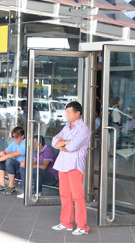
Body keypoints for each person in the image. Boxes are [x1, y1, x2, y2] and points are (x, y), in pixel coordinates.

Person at [51, 101, 91, 236]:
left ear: (77, 113)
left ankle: (82, 226)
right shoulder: (67, 127)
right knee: (65, 195)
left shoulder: (84, 129)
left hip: (75, 166)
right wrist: (65, 142)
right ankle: (66, 223)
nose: (66, 114)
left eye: (69, 112)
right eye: (66, 112)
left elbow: (72, 147)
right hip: (63, 164)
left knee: (77, 197)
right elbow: (53, 141)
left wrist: (64, 143)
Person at [0, 126, 26, 195]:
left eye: (16, 137)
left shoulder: (26, 144)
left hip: (22, 168)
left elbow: (11, 155)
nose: (14, 139)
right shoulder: (15, 142)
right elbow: (6, 152)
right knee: (1, 160)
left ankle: (11, 186)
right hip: (14, 167)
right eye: (13, 137)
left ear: (22, 136)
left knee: (9, 160)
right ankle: (2, 185)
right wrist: (2, 152)